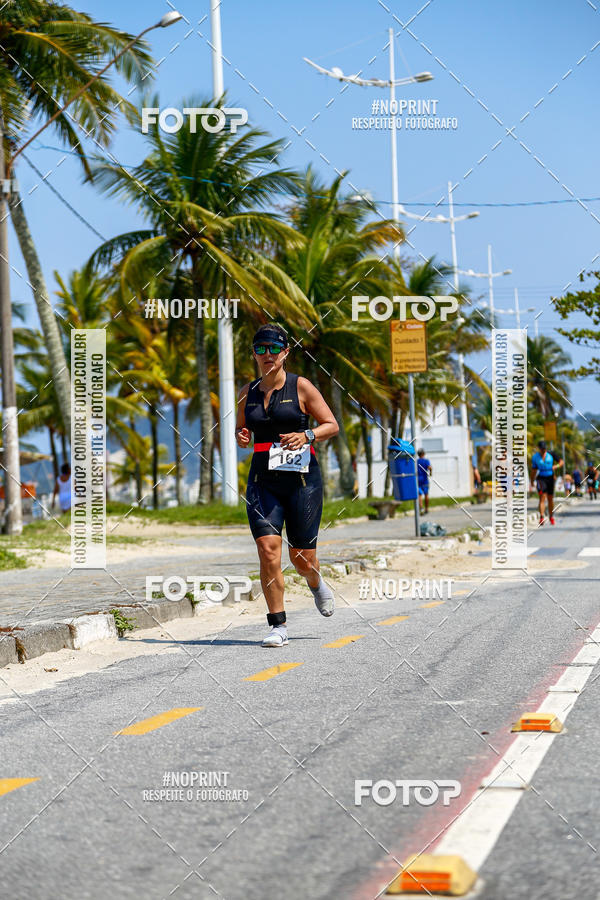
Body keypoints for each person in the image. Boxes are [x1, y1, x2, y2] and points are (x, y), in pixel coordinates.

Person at [235, 324, 339, 648]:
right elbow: (242, 430)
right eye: (260, 349)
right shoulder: (247, 392)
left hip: (302, 481)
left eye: (273, 349)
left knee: (301, 558)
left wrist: (306, 435)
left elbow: (331, 425)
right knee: (268, 550)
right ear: (254, 353)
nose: (267, 355)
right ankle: (277, 625)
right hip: (262, 480)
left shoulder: (301, 387)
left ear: (285, 352)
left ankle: (315, 581)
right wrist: (242, 437)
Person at [531, 441, 563, 525]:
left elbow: (561, 462)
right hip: (541, 478)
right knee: (542, 497)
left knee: (550, 498)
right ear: (539, 449)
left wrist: (556, 466)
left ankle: (551, 516)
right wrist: (531, 480)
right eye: (541, 449)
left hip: (550, 478)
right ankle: (541, 517)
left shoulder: (551, 454)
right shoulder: (535, 457)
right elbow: (533, 470)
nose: (543, 451)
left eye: (544, 449)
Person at [417, 449, 432, 515]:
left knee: (419, 495)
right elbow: (430, 467)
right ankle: (426, 508)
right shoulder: (426, 461)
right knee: (426, 494)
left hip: (418, 480)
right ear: (423, 454)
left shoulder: (416, 461)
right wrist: (431, 473)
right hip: (425, 480)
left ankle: (421, 508)